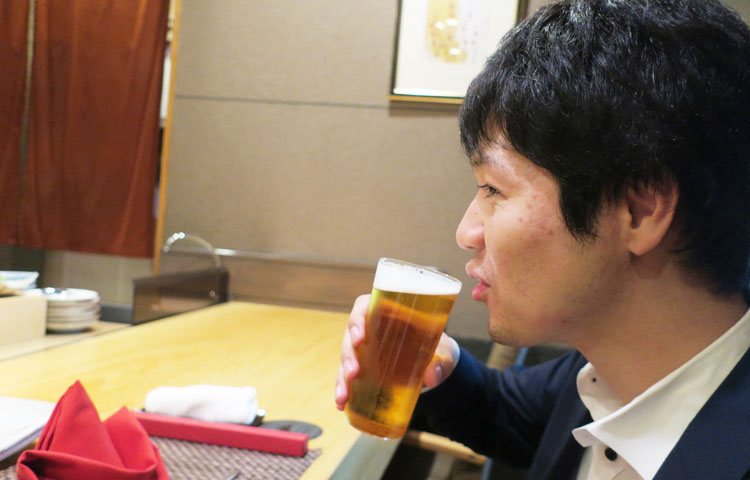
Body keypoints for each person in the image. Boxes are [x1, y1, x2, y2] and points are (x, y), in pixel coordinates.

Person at [335, 0, 750, 478]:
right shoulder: (607, 364)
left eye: (494, 189)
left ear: (640, 212)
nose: (467, 232)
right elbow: (514, 416)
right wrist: (438, 364)